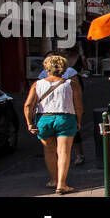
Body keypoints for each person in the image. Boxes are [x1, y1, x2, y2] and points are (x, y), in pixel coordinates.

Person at [24, 54, 80, 194]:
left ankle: (54, 179)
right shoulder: (72, 84)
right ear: (64, 68)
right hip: (66, 118)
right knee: (63, 152)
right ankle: (62, 184)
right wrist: (78, 121)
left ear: (46, 68)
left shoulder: (37, 84)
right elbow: (78, 107)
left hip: (44, 119)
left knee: (49, 151)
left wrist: (30, 123)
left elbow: (28, 105)